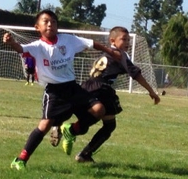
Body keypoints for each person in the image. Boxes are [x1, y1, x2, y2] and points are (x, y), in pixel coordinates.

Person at [3, 9, 121, 170]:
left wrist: (110, 51)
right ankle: (20, 159)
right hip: (54, 92)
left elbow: (91, 43)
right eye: (46, 21)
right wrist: (11, 43)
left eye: (53, 21)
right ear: (37, 27)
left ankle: (71, 130)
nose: (50, 24)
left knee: (99, 109)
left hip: (72, 87)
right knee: (44, 126)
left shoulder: (68, 40)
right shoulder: (38, 46)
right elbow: (21, 49)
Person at [57, 26, 160, 162]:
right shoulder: (119, 55)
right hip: (100, 89)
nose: (127, 42)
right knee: (105, 123)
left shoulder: (108, 53)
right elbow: (136, 74)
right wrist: (151, 91)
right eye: (123, 39)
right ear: (112, 40)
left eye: (128, 40)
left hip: (88, 86)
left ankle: (81, 148)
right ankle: (72, 133)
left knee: (105, 124)